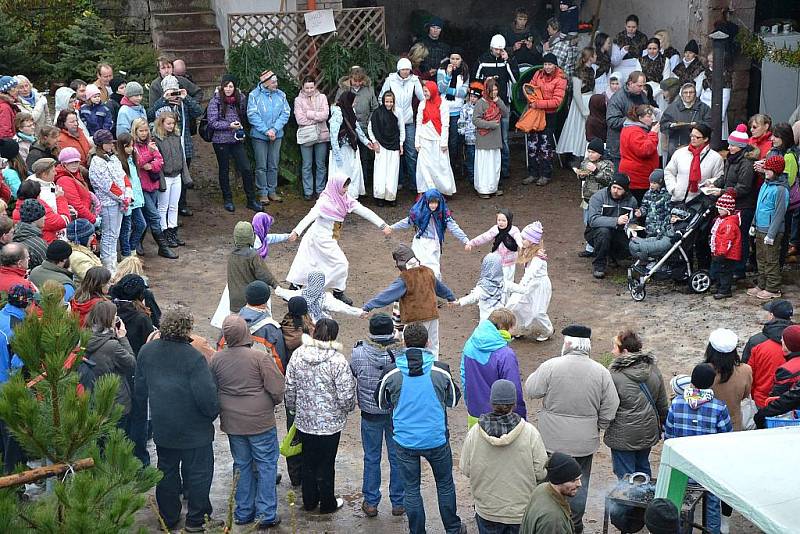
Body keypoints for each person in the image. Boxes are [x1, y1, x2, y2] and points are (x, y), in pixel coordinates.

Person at [525, 325, 620, 533]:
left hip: (552, 442)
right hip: (584, 443)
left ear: (566, 343)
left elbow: (531, 389)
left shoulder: (551, 366)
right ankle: (574, 524)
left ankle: (549, 519)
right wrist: (599, 426)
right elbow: (611, 406)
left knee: (550, 483)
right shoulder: (601, 372)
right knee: (579, 484)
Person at [134, 306, 222, 532]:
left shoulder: (147, 351)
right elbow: (206, 398)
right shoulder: (193, 358)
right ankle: (196, 519)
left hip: (164, 426)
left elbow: (140, 389)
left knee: (166, 471)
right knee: (199, 474)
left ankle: (169, 517)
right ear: (187, 329)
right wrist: (212, 414)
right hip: (194, 430)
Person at [375, 322, 465, 534]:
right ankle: (453, 528)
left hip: (405, 441)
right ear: (428, 342)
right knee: (444, 485)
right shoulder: (440, 371)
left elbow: (380, 403)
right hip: (436, 439)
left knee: (412, 489)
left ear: (404, 343)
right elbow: (453, 401)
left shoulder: (392, 372)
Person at [210, 314, 285, 529]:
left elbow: (212, 387)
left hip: (233, 422)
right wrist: (270, 403)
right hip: (260, 421)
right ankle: (266, 513)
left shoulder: (216, 359)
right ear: (246, 332)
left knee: (241, 465)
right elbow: (277, 389)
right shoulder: (259, 358)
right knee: (266, 465)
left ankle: (243, 512)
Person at [284, 318, 355, 514]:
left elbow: (289, 387)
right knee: (326, 463)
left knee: (308, 460)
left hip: (305, 421)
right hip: (330, 424)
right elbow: (346, 394)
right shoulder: (338, 361)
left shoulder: (298, 355)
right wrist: (346, 409)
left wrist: (293, 408)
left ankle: (309, 501)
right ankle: (327, 503)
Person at [286, 174, 391, 305]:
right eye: (344, 186)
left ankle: (332, 290)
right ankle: (334, 291)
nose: (346, 189)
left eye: (347, 185)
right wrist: (297, 231)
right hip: (319, 238)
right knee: (338, 263)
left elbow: (364, 211)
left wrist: (382, 225)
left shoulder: (345, 199)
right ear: (336, 186)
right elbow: (310, 216)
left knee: (311, 262)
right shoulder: (324, 202)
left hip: (328, 238)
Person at [460, 379, 548, 533]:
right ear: (514, 404)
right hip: (520, 512)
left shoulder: (475, 432)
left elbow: (465, 469)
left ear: (491, 402)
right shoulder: (530, 433)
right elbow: (541, 472)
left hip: (487, 510)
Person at [349, 313, 406, 518]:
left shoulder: (358, 353)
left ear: (371, 332)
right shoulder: (402, 353)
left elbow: (353, 374)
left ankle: (371, 502)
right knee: (397, 456)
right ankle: (398, 502)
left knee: (371, 457)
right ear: (391, 330)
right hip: (395, 411)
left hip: (370, 411)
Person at [665, 364, 732, 532]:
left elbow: (669, 437)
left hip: (683, 467)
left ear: (692, 381)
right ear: (711, 383)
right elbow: (727, 439)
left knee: (684, 508)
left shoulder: (676, 404)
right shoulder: (719, 407)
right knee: (712, 508)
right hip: (710, 469)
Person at [362, 244, 456, 359]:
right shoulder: (428, 271)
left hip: (415, 319)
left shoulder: (405, 278)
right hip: (433, 315)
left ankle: (414, 369)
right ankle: (433, 367)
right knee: (433, 345)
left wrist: (368, 306)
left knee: (413, 346)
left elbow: (387, 295)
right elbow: (440, 288)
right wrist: (451, 297)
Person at [603, 329, 667, 479]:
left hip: (623, 435)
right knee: (643, 468)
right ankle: (644, 500)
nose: (612, 351)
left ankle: (627, 502)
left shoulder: (613, 375)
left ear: (624, 351)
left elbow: (607, 406)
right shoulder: (653, 369)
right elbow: (662, 403)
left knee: (625, 477)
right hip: (648, 431)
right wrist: (662, 424)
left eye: (615, 347)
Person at [109, 273, 155, 465]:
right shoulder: (141, 317)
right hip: (136, 369)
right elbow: (149, 343)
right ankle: (139, 459)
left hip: (116, 368)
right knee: (138, 418)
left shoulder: (112, 311)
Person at [148, 74, 203, 218]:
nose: (174, 95)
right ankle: (167, 209)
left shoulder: (184, 103)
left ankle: (182, 204)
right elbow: (149, 114)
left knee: (183, 175)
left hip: (185, 144)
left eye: (175, 91)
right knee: (169, 175)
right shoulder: (162, 104)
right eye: (171, 92)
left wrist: (186, 97)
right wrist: (163, 99)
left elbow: (199, 112)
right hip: (167, 147)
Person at [461, 309, 526, 423]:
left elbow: (464, 376)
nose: (513, 333)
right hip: (501, 420)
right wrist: (520, 418)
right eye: (512, 328)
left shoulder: (470, 344)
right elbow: (514, 390)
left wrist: (470, 403)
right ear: (504, 328)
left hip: (474, 413)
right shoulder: (505, 355)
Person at [208, 74, 259, 212]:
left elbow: (243, 115)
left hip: (236, 139)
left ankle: (251, 199)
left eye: (231, 86)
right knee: (224, 169)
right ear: (222, 86)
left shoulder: (240, 99)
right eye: (226, 86)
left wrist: (240, 127)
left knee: (246, 168)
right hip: (221, 140)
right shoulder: (215, 101)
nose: (228, 89)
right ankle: (227, 199)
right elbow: (212, 122)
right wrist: (229, 125)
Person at [391, 189, 469, 278]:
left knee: (434, 270)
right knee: (416, 267)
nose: (433, 205)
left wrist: (465, 240)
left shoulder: (442, 213)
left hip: (434, 244)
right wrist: (392, 227)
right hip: (420, 243)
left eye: (436, 203)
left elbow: (454, 227)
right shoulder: (419, 212)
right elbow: (407, 222)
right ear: (426, 202)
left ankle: (434, 289)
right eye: (431, 203)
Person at [130, 117, 177, 260]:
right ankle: (163, 247)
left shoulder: (151, 144)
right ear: (135, 131)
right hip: (141, 187)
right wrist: (149, 156)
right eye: (141, 131)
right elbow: (137, 163)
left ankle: (137, 242)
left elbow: (159, 161)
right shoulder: (133, 146)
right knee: (155, 216)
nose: (144, 133)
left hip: (153, 184)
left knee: (146, 217)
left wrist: (151, 164)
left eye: (145, 130)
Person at [474, 35, 520, 181]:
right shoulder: (482, 60)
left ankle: (503, 170)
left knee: (504, 139)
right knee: (487, 136)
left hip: (502, 103)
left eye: (500, 49)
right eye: (496, 49)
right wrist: (485, 84)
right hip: (487, 104)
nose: (498, 52)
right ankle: (489, 170)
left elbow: (515, 79)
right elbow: (475, 81)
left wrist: (508, 61)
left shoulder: (506, 60)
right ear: (491, 47)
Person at [717, 124, 759, 280]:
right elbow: (725, 178)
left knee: (740, 238)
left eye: (733, 145)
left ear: (741, 146)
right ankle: (732, 267)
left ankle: (739, 269)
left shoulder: (746, 163)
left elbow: (743, 188)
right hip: (733, 204)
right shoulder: (731, 158)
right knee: (732, 238)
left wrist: (721, 192)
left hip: (744, 206)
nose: (729, 147)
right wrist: (714, 183)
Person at [84, 300, 136, 423]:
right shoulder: (112, 346)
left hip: (91, 400)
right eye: (115, 316)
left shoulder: (84, 337)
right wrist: (123, 338)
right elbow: (132, 364)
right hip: (114, 404)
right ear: (109, 320)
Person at [380, 58, 425, 192]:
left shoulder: (414, 80)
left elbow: (422, 98)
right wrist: (388, 115)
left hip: (409, 121)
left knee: (411, 152)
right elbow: (382, 97)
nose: (405, 72)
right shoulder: (391, 80)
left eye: (407, 69)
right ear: (399, 69)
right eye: (403, 69)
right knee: (395, 152)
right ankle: (397, 181)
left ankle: (414, 182)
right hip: (394, 121)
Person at [89, 129, 131, 272]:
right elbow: (107, 185)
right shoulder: (97, 161)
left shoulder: (113, 158)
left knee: (115, 234)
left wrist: (128, 191)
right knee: (109, 235)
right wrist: (123, 197)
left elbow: (123, 176)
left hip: (119, 202)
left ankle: (113, 265)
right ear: (101, 144)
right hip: (108, 204)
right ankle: (108, 267)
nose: (111, 145)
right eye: (108, 143)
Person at [747, 155, 788, 299]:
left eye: (769, 170)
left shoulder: (781, 190)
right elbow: (758, 207)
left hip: (771, 231)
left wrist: (772, 234)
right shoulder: (765, 185)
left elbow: (779, 214)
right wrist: (753, 223)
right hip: (760, 228)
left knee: (771, 260)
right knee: (761, 258)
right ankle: (762, 284)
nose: (766, 171)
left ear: (776, 171)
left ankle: (773, 288)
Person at [524, 53, 567, 187]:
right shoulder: (538, 74)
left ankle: (545, 174)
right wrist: (532, 100)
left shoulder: (561, 79)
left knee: (545, 145)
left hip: (549, 115)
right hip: (536, 114)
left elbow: (557, 101)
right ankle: (533, 173)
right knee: (532, 144)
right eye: (545, 64)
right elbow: (529, 88)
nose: (547, 67)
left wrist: (538, 103)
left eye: (550, 64)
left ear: (555, 65)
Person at [247, 70, 290, 206]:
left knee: (273, 164)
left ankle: (272, 191)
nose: (276, 84)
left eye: (276, 81)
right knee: (261, 165)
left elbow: (285, 113)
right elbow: (252, 115)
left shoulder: (281, 95)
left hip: (276, 135)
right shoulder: (254, 95)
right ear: (265, 83)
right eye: (273, 82)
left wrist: (274, 129)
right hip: (260, 136)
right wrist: (266, 131)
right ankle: (263, 193)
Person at [505, 222, 553, 340]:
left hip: (539, 285)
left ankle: (548, 330)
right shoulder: (527, 250)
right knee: (516, 305)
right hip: (529, 284)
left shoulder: (537, 258)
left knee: (538, 312)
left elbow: (530, 275)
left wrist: (519, 288)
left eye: (524, 238)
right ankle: (519, 328)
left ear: (531, 241)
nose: (521, 240)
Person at [586, 173, 639, 279]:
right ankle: (599, 266)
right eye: (613, 187)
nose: (615, 191)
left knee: (632, 245)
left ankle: (614, 256)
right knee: (604, 233)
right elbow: (593, 220)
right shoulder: (598, 197)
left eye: (619, 189)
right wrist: (616, 221)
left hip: (620, 232)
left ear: (625, 190)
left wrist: (633, 229)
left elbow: (633, 221)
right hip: (596, 232)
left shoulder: (631, 201)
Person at [703, 328, 754, 433]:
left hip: (709, 423)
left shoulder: (704, 370)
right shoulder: (745, 370)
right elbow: (745, 395)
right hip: (734, 424)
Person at [519, 452, 583, 534]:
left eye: (579, 479)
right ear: (560, 480)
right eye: (573, 480)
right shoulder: (554, 519)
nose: (579, 484)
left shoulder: (541, 488)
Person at [664, 124, 725, 206]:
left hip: (700, 203)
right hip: (677, 200)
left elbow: (718, 179)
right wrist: (673, 188)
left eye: (697, 137)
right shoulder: (680, 153)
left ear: (706, 139)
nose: (693, 139)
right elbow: (669, 171)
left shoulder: (716, 158)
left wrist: (708, 186)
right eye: (692, 136)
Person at [152, 111, 187, 248]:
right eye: (168, 123)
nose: (171, 126)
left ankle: (173, 231)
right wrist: (160, 180)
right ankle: (164, 233)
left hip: (176, 175)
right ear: (162, 123)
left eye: (173, 123)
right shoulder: (157, 139)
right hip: (165, 176)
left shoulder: (177, 137)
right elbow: (157, 160)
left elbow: (181, 156)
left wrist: (185, 175)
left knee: (174, 206)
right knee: (163, 207)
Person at [226, 221, 278, 313]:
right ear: (251, 237)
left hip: (234, 302)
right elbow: (264, 275)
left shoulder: (231, 256)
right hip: (250, 302)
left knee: (237, 325)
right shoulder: (252, 255)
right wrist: (276, 285)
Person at [415, 80, 456, 196]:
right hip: (424, 139)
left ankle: (442, 190)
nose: (425, 94)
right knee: (423, 166)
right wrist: (417, 141)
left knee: (440, 165)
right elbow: (418, 123)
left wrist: (444, 142)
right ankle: (423, 191)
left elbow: (445, 124)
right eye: (424, 91)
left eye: (426, 91)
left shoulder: (443, 104)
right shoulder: (422, 104)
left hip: (438, 139)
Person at [236, 280, 288, 371]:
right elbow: (279, 362)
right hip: (261, 380)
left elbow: (221, 349)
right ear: (266, 299)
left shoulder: (231, 324)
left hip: (235, 377)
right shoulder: (271, 329)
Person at [575, 139, 614, 257]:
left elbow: (608, 180)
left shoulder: (607, 164)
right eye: (589, 151)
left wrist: (596, 170)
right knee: (587, 222)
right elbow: (583, 179)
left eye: (593, 152)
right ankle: (590, 247)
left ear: (600, 153)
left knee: (598, 223)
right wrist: (580, 175)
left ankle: (599, 248)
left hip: (600, 200)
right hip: (587, 198)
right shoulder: (585, 162)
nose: (590, 154)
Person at [294, 76, 330, 202]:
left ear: (315, 86)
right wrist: (316, 117)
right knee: (307, 164)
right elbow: (300, 119)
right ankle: (308, 191)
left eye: (311, 87)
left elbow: (325, 115)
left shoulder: (322, 97)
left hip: (321, 135)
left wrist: (309, 114)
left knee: (320, 164)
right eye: (306, 88)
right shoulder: (298, 100)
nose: (309, 90)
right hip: (306, 136)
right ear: (303, 87)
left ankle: (320, 190)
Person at [556, 47, 595, 161]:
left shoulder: (592, 70)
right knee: (577, 128)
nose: (596, 57)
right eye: (594, 55)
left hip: (589, 99)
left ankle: (585, 153)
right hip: (581, 102)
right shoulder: (578, 72)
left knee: (586, 130)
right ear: (589, 57)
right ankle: (573, 155)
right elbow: (576, 93)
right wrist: (583, 110)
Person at [465, 208, 522, 287]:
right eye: (499, 220)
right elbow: (484, 237)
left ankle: (507, 297)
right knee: (498, 280)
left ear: (509, 221)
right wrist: (471, 243)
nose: (500, 223)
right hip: (498, 260)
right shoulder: (495, 229)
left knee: (508, 282)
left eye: (503, 220)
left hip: (510, 261)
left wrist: (522, 246)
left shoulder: (514, 230)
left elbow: (518, 238)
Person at [329, 90, 369, 198]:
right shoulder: (337, 113)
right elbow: (333, 135)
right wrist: (337, 156)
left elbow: (357, 128)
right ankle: (340, 196)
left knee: (352, 171)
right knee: (341, 172)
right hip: (341, 149)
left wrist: (367, 142)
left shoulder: (350, 111)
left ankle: (350, 195)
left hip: (350, 147)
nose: (355, 103)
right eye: (353, 101)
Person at [472, 78, 508, 197]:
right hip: (484, 140)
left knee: (494, 164)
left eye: (496, 90)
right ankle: (483, 189)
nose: (495, 93)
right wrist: (490, 125)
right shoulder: (480, 103)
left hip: (495, 140)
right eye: (492, 90)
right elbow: (476, 120)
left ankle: (493, 187)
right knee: (484, 165)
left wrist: (498, 101)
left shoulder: (497, 101)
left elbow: (505, 113)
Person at [368, 90, 404, 206]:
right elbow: (370, 128)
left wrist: (401, 144)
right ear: (383, 101)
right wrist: (374, 142)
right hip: (381, 145)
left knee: (392, 171)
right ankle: (379, 196)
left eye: (391, 102)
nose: (389, 104)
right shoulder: (377, 113)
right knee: (380, 171)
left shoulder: (398, 112)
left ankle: (390, 196)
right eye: (387, 101)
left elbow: (401, 129)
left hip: (394, 144)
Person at [619, 104, 661, 203]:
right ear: (640, 118)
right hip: (638, 179)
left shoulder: (632, 128)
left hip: (637, 176)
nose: (651, 119)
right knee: (638, 208)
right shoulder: (635, 131)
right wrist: (653, 134)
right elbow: (645, 150)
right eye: (648, 116)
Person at [661, 82, 711, 164]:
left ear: (695, 94)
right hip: (676, 146)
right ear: (681, 94)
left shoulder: (704, 108)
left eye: (691, 92)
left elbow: (710, 124)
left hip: (698, 147)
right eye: (685, 92)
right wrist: (672, 125)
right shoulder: (672, 108)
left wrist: (697, 125)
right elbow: (663, 125)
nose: (688, 95)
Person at [606, 71, 647, 168]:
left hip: (637, 144)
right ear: (630, 83)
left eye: (643, 86)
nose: (642, 89)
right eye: (639, 86)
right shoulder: (618, 98)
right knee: (620, 178)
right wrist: (633, 120)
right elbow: (612, 121)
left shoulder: (641, 95)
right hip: (619, 147)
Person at [114, 133, 146, 259]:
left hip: (136, 199)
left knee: (141, 225)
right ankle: (126, 254)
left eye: (132, 146)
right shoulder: (119, 162)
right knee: (125, 228)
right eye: (127, 146)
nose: (130, 148)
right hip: (127, 200)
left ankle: (132, 249)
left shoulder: (133, 160)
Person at [437, 50, 469, 169]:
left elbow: (463, 92)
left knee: (455, 140)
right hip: (444, 110)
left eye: (457, 59)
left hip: (457, 110)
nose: (454, 61)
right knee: (444, 138)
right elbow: (440, 88)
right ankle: (444, 165)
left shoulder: (464, 72)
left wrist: (449, 91)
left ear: (461, 60)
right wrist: (448, 75)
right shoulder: (442, 70)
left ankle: (454, 165)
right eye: (452, 58)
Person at [710, 190, 742, 299]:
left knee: (725, 272)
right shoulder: (722, 220)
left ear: (728, 210)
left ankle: (725, 290)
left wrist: (721, 253)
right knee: (721, 270)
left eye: (721, 209)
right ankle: (720, 286)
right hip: (721, 252)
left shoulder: (729, 224)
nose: (718, 211)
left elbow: (726, 241)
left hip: (727, 254)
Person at [55, 147, 97, 225]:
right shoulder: (64, 180)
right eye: (71, 162)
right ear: (63, 163)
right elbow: (76, 206)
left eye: (76, 162)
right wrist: (93, 219)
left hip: (84, 217)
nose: (74, 165)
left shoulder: (75, 173)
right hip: (79, 221)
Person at [12, 199, 48, 270]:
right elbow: (47, 269)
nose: (45, 218)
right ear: (35, 219)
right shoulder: (39, 245)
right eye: (42, 215)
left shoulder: (12, 234)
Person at [458, 83, 482, 184]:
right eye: (471, 96)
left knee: (479, 159)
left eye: (475, 97)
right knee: (470, 158)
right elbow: (461, 121)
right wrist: (461, 132)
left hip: (480, 138)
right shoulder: (464, 108)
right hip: (469, 139)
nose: (472, 99)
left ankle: (480, 177)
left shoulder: (482, 107)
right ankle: (472, 178)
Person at [66, 218, 101, 282]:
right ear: (83, 239)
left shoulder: (81, 251)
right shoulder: (77, 257)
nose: (94, 236)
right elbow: (95, 280)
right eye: (91, 235)